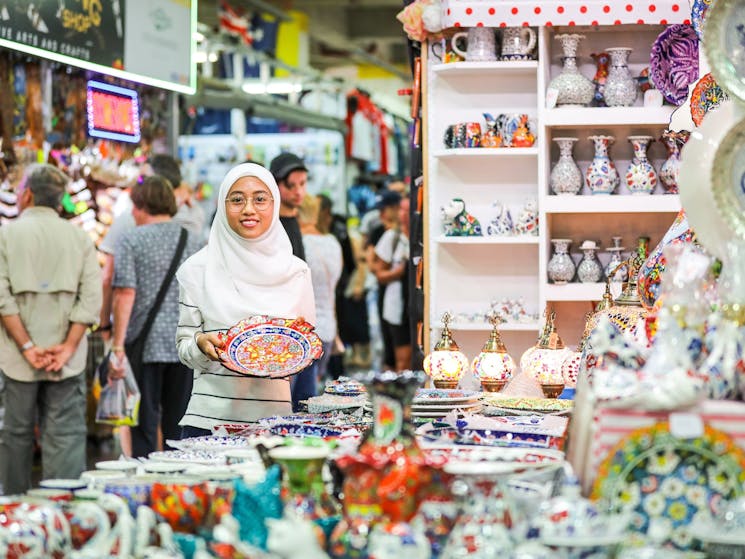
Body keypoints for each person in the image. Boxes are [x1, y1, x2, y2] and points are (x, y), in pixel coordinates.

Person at [176, 163, 315, 436]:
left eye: (260, 199)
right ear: (222, 205)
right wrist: (200, 345)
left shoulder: (296, 272)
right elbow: (184, 346)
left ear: (274, 205)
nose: (249, 209)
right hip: (208, 424)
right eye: (237, 200)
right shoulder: (196, 270)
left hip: (276, 425)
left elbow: (306, 345)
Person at [0, 164, 102, 494]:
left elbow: (2, 299)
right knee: (66, 435)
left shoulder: (6, 235)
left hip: (16, 357)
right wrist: (68, 346)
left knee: (14, 434)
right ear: (60, 201)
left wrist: (28, 347)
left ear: (27, 194)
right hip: (65, 359)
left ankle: (11, 514)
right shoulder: (79, 237)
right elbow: (90, 300)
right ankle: (63, 511)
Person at [109, 176, 202, 458]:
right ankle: (178, 483)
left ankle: (145, 482)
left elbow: (125, 293)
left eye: (134, 207)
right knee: (179, 421)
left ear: (141, 206)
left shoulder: (131, 240)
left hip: (145, 344)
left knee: (143, 425)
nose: (133, 214)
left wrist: (117, 345)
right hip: (185, 342)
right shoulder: (195, 240)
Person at [297, 194, 342, 388]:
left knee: (300, 397)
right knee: (313, 386)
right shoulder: (332, 242)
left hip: (305, 328)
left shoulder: (300, 244)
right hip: (328, 328)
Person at [373, 195, 411, 372]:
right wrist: (397, 273)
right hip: (396, 308)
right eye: (401, 209)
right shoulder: (392, 237)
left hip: (416, 307)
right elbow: (379, 273)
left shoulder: (422, 239)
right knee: (400, 361)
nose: (404, 214)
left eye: (408, 209)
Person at [367, 190, 402, 370]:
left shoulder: (399, 233)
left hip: (397, 292)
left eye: (384, 209)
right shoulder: (380, 231)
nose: (380, 214)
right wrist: (393, 270)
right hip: (386, 291)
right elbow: (371, 264)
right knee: (388, 340)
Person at [270, 152, 307, 261]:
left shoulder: (294, 218)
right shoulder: (271, 226)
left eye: (302, 183)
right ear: (275, 185)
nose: (298, 192)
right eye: (290, 185)